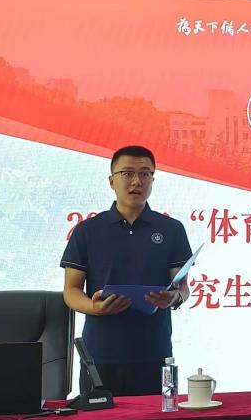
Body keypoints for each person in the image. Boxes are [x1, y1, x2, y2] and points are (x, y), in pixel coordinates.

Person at [60, 145, 192, 396]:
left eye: (145, 174)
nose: (136, 181)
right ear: (112, 181)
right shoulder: (88, 231)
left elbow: (183, 288)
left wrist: (174, 298)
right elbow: (71, 290)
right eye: (127, 173)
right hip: (100, 354)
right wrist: (95, 307)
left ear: (153, 180)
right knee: (99, 416)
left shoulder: (172, 229)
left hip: (155, 352)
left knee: (157, 415)